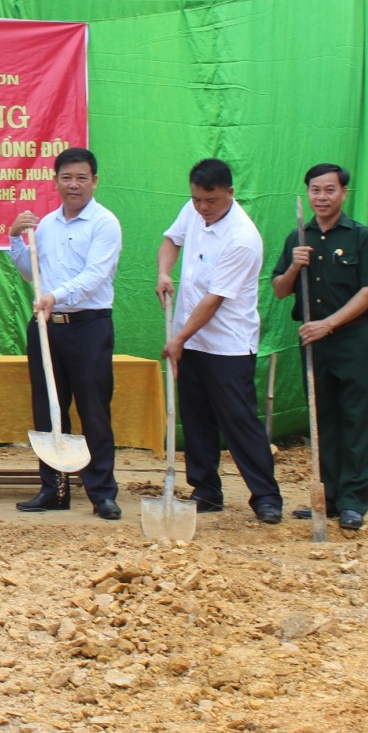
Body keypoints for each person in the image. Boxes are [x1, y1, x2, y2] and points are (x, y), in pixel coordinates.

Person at [156, 158, 282, 525]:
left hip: (227, 344)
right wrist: (164, 272)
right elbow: (171, 239)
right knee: (196, 419)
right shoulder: (193, 210)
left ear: (230, 192)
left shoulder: (243, 239)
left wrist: (178, 338)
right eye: (197, 199)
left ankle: (266, 496)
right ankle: (206, 490)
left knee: (238, 420)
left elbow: (214, 300)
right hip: (190, 341)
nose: (203, 208)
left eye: (210, 200)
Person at [271, 163, 368, 531]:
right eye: (315, 191)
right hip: (313, 344)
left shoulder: (361, 237)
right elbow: (279, 289)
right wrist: (294, 266)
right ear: (307, 193)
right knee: (322, 421)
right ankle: (329, 498)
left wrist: (329, 324)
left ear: (343, 193)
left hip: (351, 340)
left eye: (329, 190)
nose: (321, 197)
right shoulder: (299, 237)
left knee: (355, 420)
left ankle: (354, 502)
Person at [8, 147, 124, 520]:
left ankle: (102, 492)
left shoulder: (105, 223)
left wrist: (55, 296)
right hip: (46, 327)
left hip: (88, 327)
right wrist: (16, 240)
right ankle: (53, 489)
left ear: (94, 181)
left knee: (93, 411)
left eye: (81, 178)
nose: (73, 185)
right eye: (66, 177)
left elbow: (95, 277)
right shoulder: (47, 225)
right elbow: (31, 272)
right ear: (55, 180)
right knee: (48, 411)